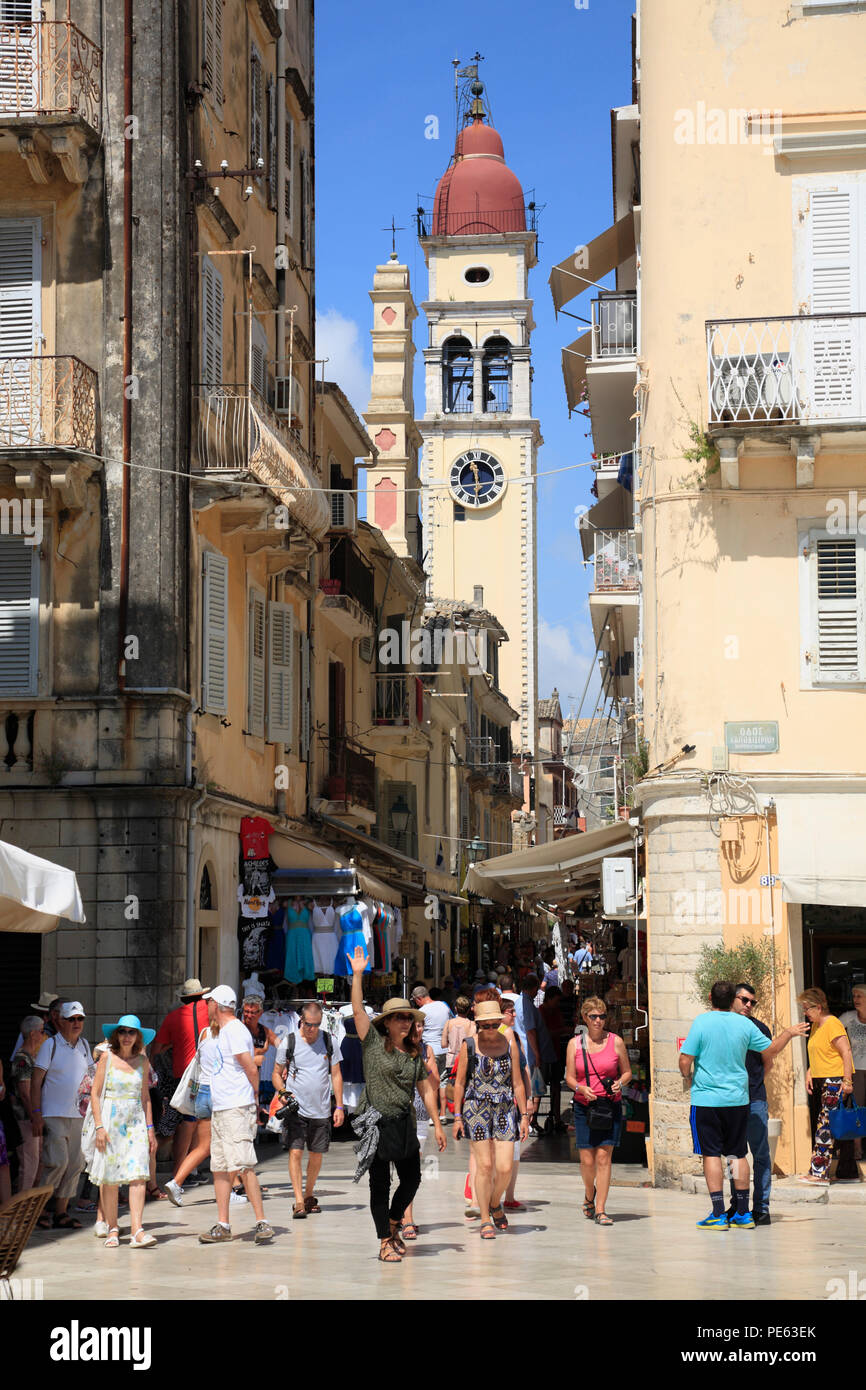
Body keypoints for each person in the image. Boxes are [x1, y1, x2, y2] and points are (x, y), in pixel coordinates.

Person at [349, 946, 446, 1263]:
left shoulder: (415, 1053)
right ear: (387, 1022)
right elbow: (358, 1010)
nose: (406, 1022)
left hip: (403, 1121)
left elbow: (426, 1090)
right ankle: (384, 1242)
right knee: (379, 1184)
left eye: (409, 1017)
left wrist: (438, 1124)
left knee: (413, 1178)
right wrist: (358, 974)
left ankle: (393, 1224)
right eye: (400, 1018)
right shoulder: (373, 1043)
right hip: (375, 1122)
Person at [679, 980, 773, 1229]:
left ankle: (719, 1213)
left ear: (710, 997)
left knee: (711, 1154)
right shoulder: (745, 1024)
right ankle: (743, 1212)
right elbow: (770, 1050)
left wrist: (687, 1077)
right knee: (737, 1154)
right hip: (738, 1100)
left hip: (707, 1100)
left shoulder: (702, 1022)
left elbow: (685, 1059)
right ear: (733, 1000)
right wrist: (788, 1034)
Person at [197, 985, 274, 1244]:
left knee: (244, 1163)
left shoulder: (235, 1031)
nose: (207, 1006)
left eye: (209, 1002)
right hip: (222, 1107)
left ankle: (261, 1221)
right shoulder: (223, 1031)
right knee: (220, 1167)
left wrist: (254, 1099)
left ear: (217, 1005)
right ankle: (223, 1224)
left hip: (236, 1107)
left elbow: (250, 1068)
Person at [728, 983, 809, 1224]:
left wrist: (754, 1084)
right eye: (744, 1000)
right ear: (732, 999)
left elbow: (769, 1059)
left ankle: (761, 1209)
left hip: (754, 1100)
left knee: (761, 1155)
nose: (748, 1005)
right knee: (734, 1155)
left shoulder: (759, 1028)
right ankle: (737, 1206)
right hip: (730, 1102)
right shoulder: (723, 1025)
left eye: (752, 1002)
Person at [452, 1001, 529, 1240]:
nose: (491, 1029)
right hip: (476, 1108)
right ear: (478, 1024)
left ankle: (495, 1202)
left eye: (495, 1025)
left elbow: (517, 1082)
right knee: (484, 1166)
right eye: (486, 1025)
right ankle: (485, 1217)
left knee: (505, 1167)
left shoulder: (509, 1044)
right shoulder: (469, 1045)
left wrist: (525, 1115)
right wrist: (457, 1117)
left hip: (505, 1108)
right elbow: (460, 1083)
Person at [88, 1015, 158, 1248]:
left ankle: (137, 1230)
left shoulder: (143, 1061)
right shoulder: (107, 1058)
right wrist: (99, 1126)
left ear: (138, 1036)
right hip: (111, 1121)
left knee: (138, 1174)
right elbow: (95, 1093)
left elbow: (145, 1097)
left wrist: (150, 1129)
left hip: (135, 1122)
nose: (127, 1036)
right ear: (116, 1035)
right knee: (110, 1178)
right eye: (123, 1031)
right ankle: (112, 1228)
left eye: (131, 1032)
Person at [271, 999, 343, 1219]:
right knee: (295, 1151)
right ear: (301, 1020)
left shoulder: (329, 1041)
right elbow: (276, 1074)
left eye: (316, 1024)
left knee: (316, 1154)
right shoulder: (289, 1042)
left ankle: (309, 1194)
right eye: (309, 1024)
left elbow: (336, 1074)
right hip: (296, 1109)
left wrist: (339, 1105)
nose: (312, 1029)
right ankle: (299, 1201)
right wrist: (283, 1092)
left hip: (321, 1109)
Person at [565, 995, 632, 1226]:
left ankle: (601, 1209)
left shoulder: (616, 1042)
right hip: (584, 1106)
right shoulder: (575, 1044)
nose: (598, 1021)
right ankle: (589, 1193)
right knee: (587, 1160)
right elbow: (569, 1077)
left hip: (609, 1105)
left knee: (604, 1157)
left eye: (602, 1016)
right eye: (593, 1016)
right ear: (585, 1018)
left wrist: (620, 1083)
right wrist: (580, 1088)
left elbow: (627, 1072)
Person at [30, 1001, 93, 1230]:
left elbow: (91, 1077)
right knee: (57, 1163)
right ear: (61, 1021)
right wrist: (36, 1114)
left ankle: (61, 1212)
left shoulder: (84, 1045)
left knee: (76, 1164)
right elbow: (36, 1081)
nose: (76, 1023)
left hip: (79, 1116)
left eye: (80, 1019)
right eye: (71, 1019)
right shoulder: (51, 1045)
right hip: (53, 1113)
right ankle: (40, 1210)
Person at [151, 977, 211, 1175]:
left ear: (183, 998)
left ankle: (184, 1171)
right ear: (201, 995)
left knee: (187, 1120)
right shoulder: (210, 1011)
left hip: (182, 1078)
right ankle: (182, 1173)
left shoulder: (173, 1017)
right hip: (207, 1074)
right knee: (194, 1121)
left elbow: (156, 1050)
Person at [797, 986, 855, 1185]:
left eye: (807, 1008)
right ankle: (848, 1172)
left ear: (819, 1007)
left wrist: (847, 1081)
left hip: (835, 1080)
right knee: (837, 1124)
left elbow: (846, 1052)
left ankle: (819, 1173)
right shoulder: (817, 1025)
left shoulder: (832, 1024)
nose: (805, 1012)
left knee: (825, 1126)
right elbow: (818, 1052)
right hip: (824, 1079)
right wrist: (810, 1072)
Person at [162, 1011, 218, 1207]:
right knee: (219, 1144)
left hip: (199, 1092)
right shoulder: (230, 1034)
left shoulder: (204, 1033)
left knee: (204, 1145)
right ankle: (233, 1188)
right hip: (217, 1094)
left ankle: (177, 1181)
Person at [399, 1017, 442, 1241]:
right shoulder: (395, 1048)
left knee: (411, 1169)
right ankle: (397, 1214)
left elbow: (434, 1084)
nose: (418, 1029)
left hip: (421, 1115)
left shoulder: (427, 1050)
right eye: (415, 1025)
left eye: (421, 1025)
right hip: (397, 1114)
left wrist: (422, 1064)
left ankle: (407, 1218)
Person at [500, 993, 533, 1212]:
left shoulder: (515, 1037)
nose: (513, 1015)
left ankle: (510, 1196)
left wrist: (528, 1100)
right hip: (500, 1102)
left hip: (515, 1101)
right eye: (509, 1011)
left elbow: (523, 1070)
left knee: (514, 1152)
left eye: (514, 1011)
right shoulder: (495, 1037)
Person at [10, 1014, 46, 1192]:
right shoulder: (22, 1059)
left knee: (37, 1162)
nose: (44, 1035)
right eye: (42, 1031)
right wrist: (35, 1117)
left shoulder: (32, 1057)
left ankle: (31, 1204)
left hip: (33, 1117)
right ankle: (22, 1205)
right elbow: (25, 1093)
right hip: (26, 1118)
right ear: (33, 1034)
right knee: (30, 1164)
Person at [411, 984, 452, 1123]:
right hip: (444, 1049)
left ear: (418, 999)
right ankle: (443, 1114)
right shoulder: (444, 1006)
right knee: (443, 1082)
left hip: (429, 1050)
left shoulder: (422, 1012)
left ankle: (431, 1115)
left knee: (430, 1083)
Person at [839, 985, 866, 1165]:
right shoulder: (848, 1017)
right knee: (858, 1110)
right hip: (857, 1071)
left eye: (859, 996)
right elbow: (830, 1035)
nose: (855, 999)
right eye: (854, 995)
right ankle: (857, 1146)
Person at [442, 996, 473, 1078]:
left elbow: (443, 1044)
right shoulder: (471, 1024)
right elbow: (472, 1045)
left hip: (451, 1061)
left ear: (455, 1008)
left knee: (451, 1084)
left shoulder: (448, 1023)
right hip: (465, 1060)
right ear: (469, 1009)